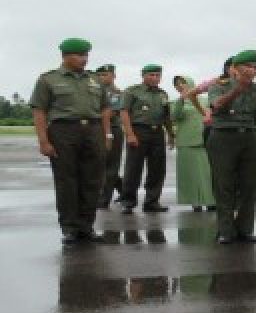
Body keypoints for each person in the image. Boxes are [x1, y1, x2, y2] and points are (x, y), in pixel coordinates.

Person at [30, 38, 112, 244]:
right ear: (65, 56)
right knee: (67, 180)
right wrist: (43, 141)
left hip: (93, 130)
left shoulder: (94, 80)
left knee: (92, 180)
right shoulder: (48, 79)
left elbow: (105, 109)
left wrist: (107, 134)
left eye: (86, 55)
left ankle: (87, 227)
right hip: (63, 131)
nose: (84, 59)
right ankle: (70, 228)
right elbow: (39, 111)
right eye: (79, 55)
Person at [207, 50, 256, 244]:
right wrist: (237, 90)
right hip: (223, 136)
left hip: (248, 136)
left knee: (249, 184)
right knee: (224, 185)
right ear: (234, 68)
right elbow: (216, 106)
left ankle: (245, 229)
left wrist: (247, 127)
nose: (252, 70)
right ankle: (225, 230)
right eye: (248, 66)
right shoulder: (218, 85)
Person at [118, 64, 174, 214]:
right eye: (151, 75)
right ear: (143, 76)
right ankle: (128, 201)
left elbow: (166, 117)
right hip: (139, 130)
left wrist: (171, 134)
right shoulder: (132, 91)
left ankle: (152, 201)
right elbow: (124, 112)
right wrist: (129, 134)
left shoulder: (163, 94)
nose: (155, 78)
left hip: (157, 132)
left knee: (157, 169)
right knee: (133, 168)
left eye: (157, 75)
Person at [171, 76, 215, 211]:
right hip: (186, 142)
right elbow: (174, 116)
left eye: (183, 83)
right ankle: (195, 202)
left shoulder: (205, 100)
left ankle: (211, 201)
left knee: (207, 173)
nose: (180, 86)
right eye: (177, 84)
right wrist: (182, 99)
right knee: (190, 174)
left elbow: (211, 113)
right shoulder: (175, 102)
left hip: (205, 140)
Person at [93, 64, 124, 208]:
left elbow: (110, 112)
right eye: (100, 75)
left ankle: (104, 199)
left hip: (112, 130)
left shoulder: (115, 93)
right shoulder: (94, 91)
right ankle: (124, 189)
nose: (102, 78)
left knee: (111, 165)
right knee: (99, 164)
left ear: (113, 76)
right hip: (96, 129)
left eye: (106, 75)